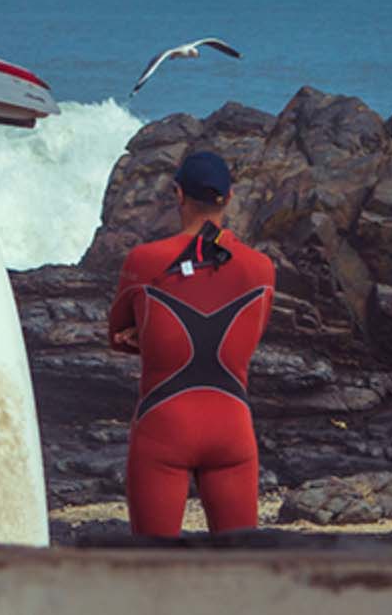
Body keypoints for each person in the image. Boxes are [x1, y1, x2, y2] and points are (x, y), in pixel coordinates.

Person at [107, 150, 276, 537]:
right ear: (229, 198)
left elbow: (117, 337)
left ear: (178, 194)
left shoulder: (144, 261)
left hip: (164, 425)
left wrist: (149, 338)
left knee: (154, 572)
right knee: (238, 571)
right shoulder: (262, 268)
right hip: (231, 426)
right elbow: (247, 338)